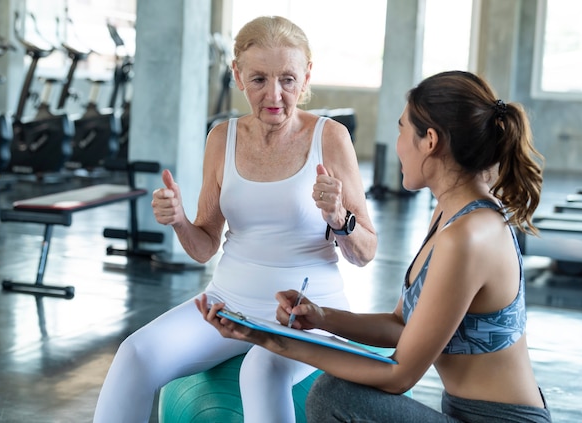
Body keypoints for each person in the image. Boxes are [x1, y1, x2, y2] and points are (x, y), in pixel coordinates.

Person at [198, 70, 553, 422]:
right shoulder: (451, 211)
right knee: (338, 388)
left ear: (430, 141)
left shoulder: (470, 235)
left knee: (334, 396)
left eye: (401, 129)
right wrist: (321, 317)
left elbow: (399, 375)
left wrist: (270, 339)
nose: (396, 143)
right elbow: (401, 324)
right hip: (462, 413)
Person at [93, 15, 376, 423]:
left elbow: (365, 252)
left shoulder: (329, 137)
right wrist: (178, 221)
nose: (274, 94)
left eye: (288, 79)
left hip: (308, 313)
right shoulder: (221, 138)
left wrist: (338, 216)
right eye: (259, 79)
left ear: (307, 75)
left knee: (260, 371)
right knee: (134, 355)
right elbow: (205, 243)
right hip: (227, 304)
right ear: (238, 76)